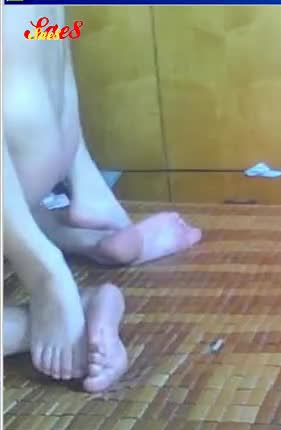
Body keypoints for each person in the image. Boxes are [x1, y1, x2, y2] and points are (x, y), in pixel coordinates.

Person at [3, 6, 201, 391]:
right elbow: (46, 35)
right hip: (45, 150)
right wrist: (83, 173)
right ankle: (84, 239)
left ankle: (55, 298)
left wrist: (46, 276)